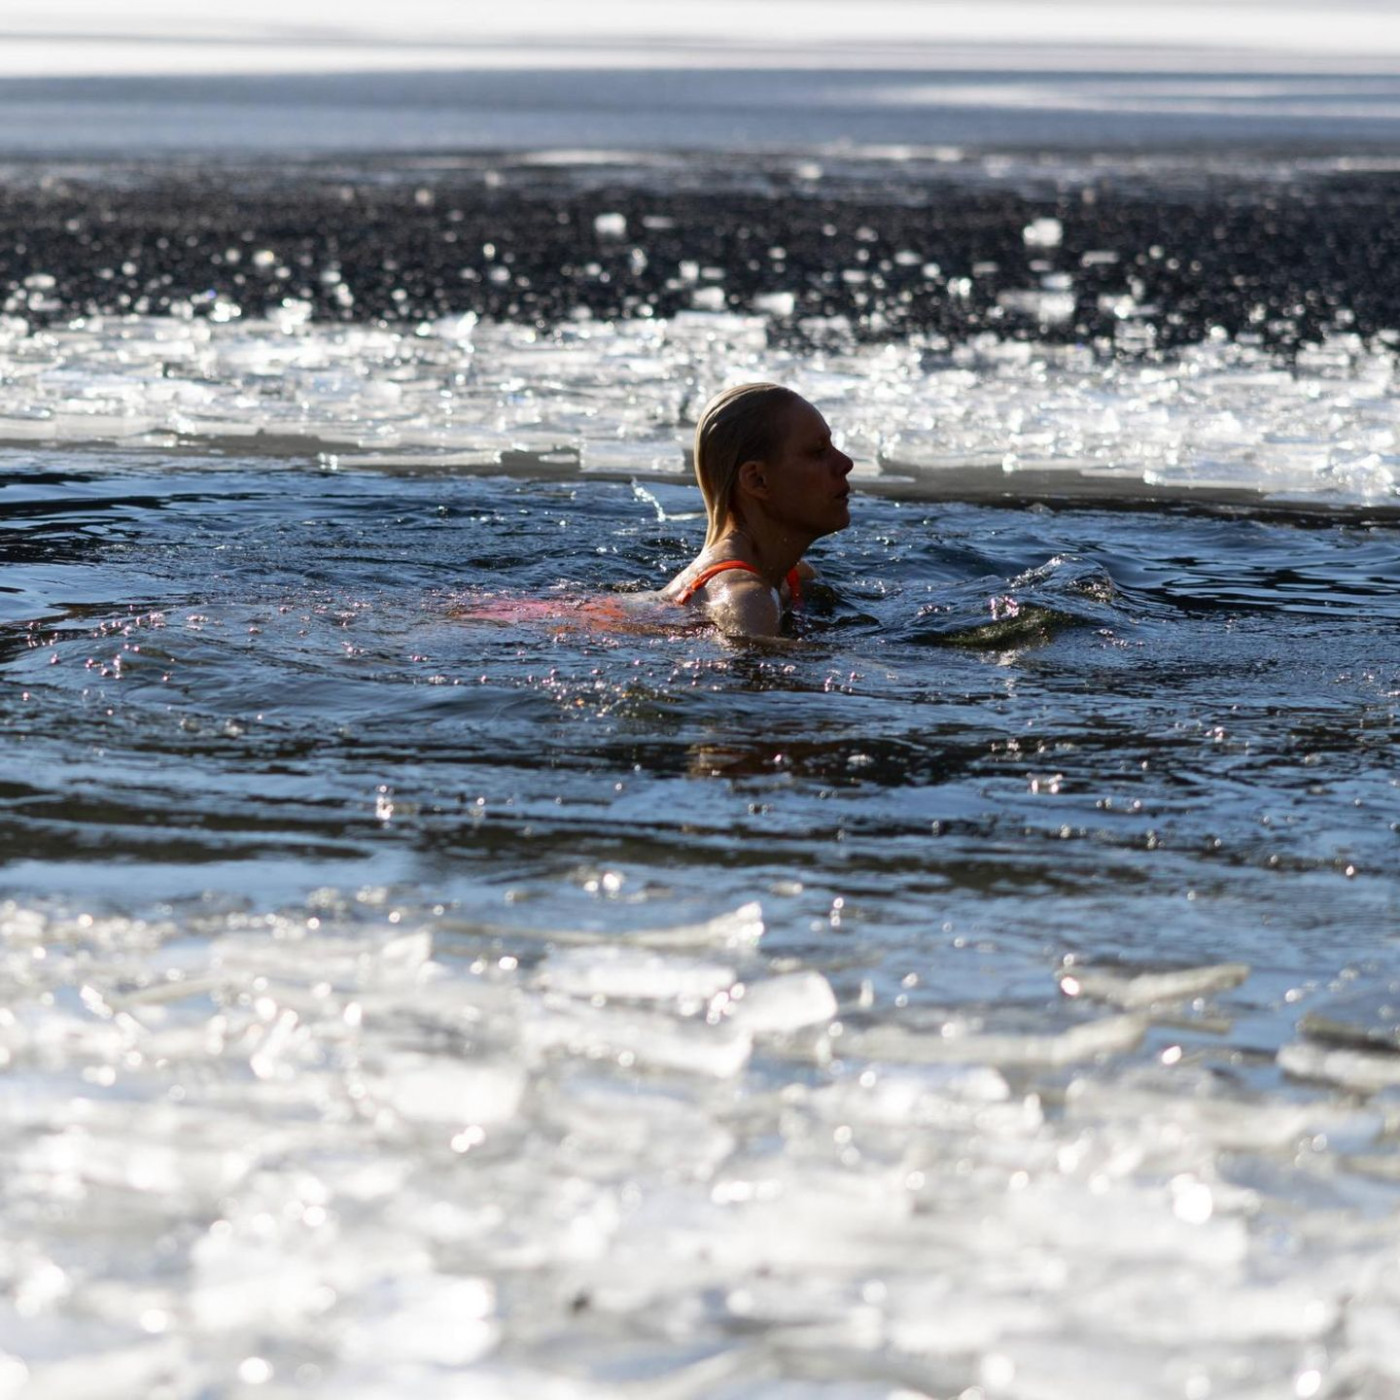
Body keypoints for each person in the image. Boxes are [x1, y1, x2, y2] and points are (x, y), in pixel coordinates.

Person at [661, 383, 853, 638]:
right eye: (818, 452)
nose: (846, 463)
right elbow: (748, 658)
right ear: (757, 480)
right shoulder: (744, 597)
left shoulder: (795, 576)